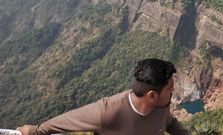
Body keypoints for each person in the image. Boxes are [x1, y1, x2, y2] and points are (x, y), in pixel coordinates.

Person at [17, 58, 190, 135]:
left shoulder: (160, 107)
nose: (173, 92)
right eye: (170, 88)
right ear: (151, 96)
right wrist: (34, 131)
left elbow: (170, 123)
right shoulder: (107, 111)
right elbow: (67, 120)